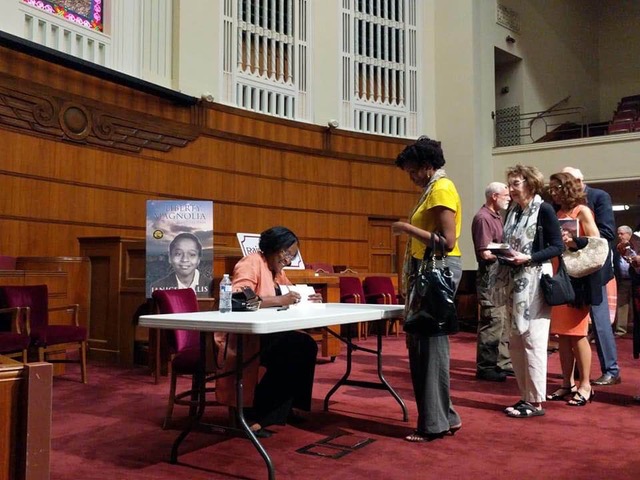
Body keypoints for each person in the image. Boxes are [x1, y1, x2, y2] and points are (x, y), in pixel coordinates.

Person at [215, 226, 322, 438]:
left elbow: (291, 294)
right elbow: (238, 297)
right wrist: (278, 300)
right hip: (244, 336)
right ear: (275, 248)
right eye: (287, 254)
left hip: (266, 333)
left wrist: (309, 298)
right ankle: (254, 414)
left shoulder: (276, 271)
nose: (289, 260)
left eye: (292, 256)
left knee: (304, 345)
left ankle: (283, 407)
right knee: (296, 348)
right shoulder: (251, 262)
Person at [391, 136, 462, 441]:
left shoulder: (442, 188)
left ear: (427, 166)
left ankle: (433, 425)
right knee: (432, 348)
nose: (411, 178)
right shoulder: (434, 188)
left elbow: (447, 243)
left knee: (427, 350)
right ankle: (445, 417)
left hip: (436, 271)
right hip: (430, 270)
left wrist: (406, 228)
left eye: (412, 172)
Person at [500, 165, 563, 418]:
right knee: (515, 341)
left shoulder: (544, 209)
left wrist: (529, 257)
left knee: (533, 340)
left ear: (530, 184)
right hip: (514, 281)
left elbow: (557, 246)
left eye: (516, 183)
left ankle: (536, 401)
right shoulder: (513, 211)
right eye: (510, 184)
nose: (511, 189)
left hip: (535, 279)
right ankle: (525, 395)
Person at [562, 167, 620, 386]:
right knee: (573, 324)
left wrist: (578, 238)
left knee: (600, 319)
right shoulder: (561, 204)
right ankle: (577, 372)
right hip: (570, 270)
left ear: (580, 180)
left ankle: (611, 370)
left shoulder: (598, 197)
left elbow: (607, 233)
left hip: (594, 269)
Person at [546, 172, 600, 406]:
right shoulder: (557, 214)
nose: (553, 192)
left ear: (568, 188)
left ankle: (586, 384)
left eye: (557, 188)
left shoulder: (582, 211)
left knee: (578, 335)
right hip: (560, 277)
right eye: (552, 189)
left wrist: (573, 242)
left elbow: (597, 243)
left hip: (578, 279)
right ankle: (566, 383)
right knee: (562, 337)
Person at [471, 181, 512, 382]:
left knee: (502, 320)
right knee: (492, 320)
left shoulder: (496, 217)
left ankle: (503, 362)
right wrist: (508, 253)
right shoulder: (483, 218)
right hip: (490, 276)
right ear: (494, 196)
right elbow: (485, 253)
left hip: (500, 277)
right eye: (506, 195)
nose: (509, 198)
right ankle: (486, 366)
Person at [613, 225, 634, 337]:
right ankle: (621, 330)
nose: (619, 236)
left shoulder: (636, 246)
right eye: (618, 233)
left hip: (636, 280)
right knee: (622, 305)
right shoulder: (615, 249)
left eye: (622, 233)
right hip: (623, 281)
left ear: (629, 235)